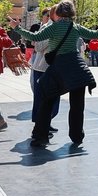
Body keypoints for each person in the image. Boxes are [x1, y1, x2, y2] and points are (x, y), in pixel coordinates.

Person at [9, 0, 98, 147]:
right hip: (77, 68)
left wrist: (17, 28)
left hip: (59, 67)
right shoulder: (75, 27)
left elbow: (34, 37)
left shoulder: (53, 27)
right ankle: (77, 136)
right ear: (72, 12)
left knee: (46, 100)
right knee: (77, 105)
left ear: (58, 12)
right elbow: (96, 34)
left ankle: (40, 135)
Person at [28, 9, 59, 138]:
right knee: (40, 99)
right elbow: (37, 47)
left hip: (55, 69)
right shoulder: (46, 28)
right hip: (41, 68)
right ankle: (39, 127)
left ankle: (47, 123)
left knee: (54, 100)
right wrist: (53, 37)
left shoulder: (63, 27)